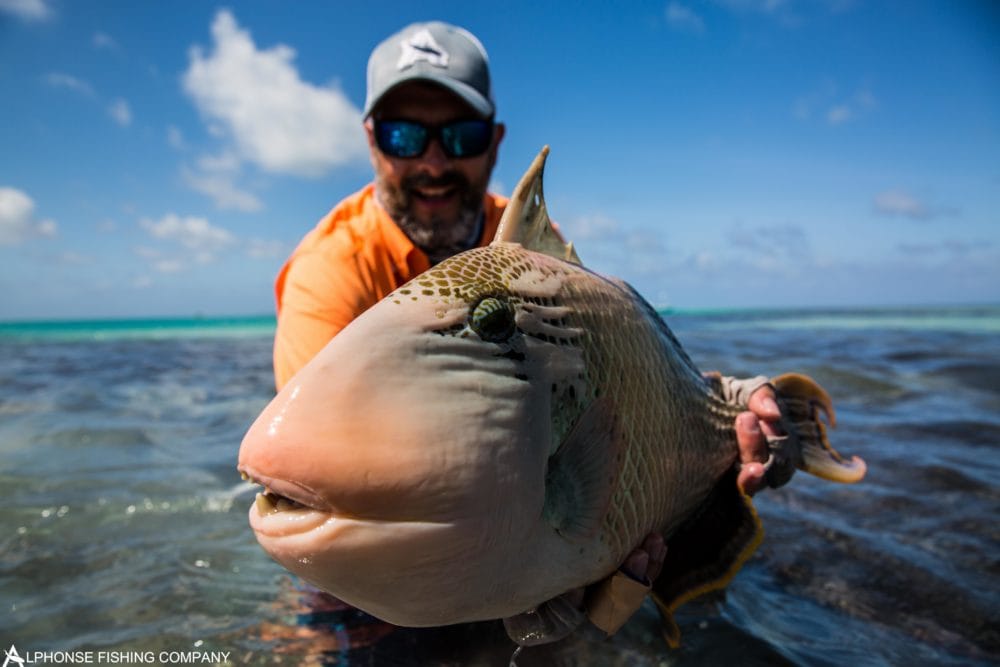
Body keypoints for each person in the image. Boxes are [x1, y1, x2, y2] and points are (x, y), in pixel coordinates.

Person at [271, 20, 784, 643]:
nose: (433, 163)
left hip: (541, 507)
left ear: (494, 142)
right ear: (372, 141)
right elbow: (319, 473)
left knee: (589, 633)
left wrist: (726, 403)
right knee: (334, 624)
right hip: (415, 534)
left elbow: (630, 385)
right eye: (405, 135)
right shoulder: (331, 269)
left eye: (460, 135)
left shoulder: (531, 258)